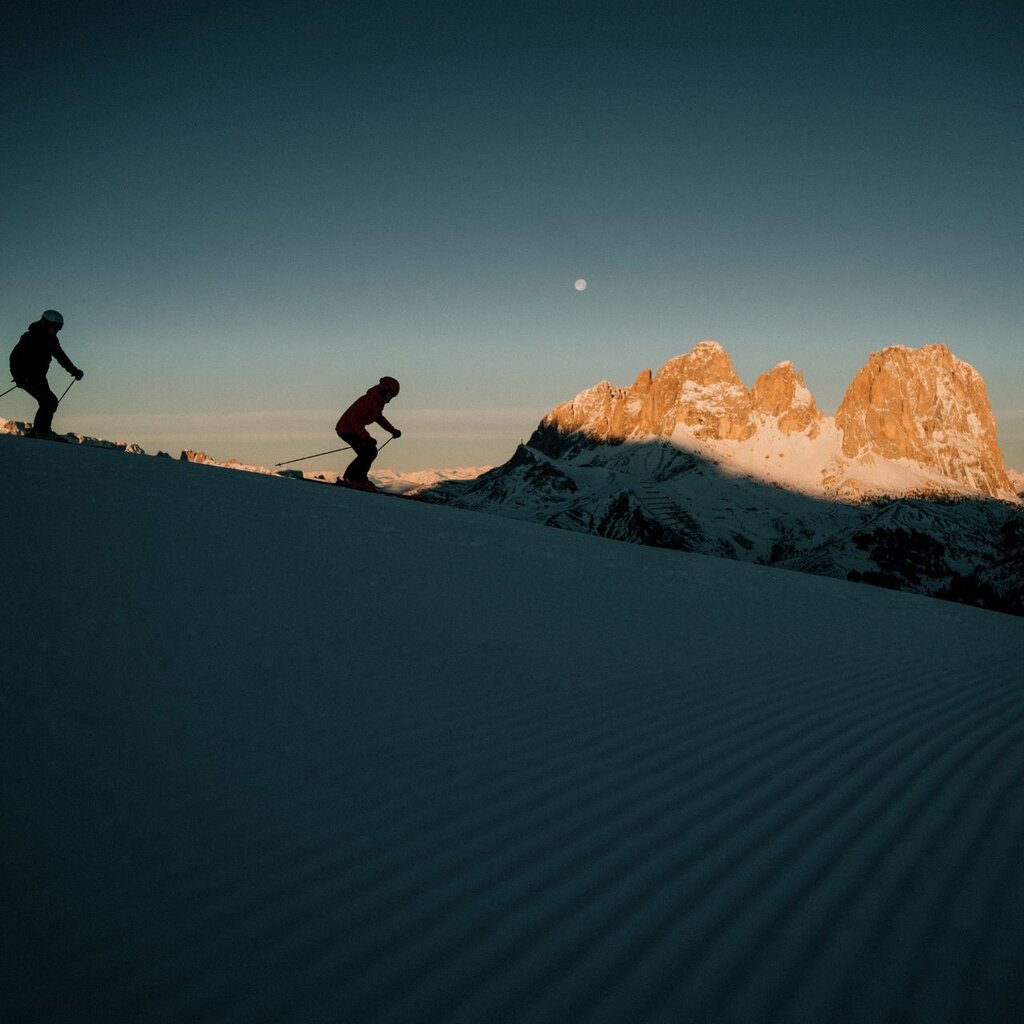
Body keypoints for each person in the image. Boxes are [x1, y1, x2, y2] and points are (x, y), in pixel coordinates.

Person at [9, 310, 84, 438]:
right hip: (26, 377)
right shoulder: (30, 337)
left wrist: (74, 371)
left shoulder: (51, 340)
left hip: (39, 378)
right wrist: (18, 376)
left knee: (49, 402)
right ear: (46, 324)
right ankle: (42, 431)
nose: (57, 331)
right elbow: (14, 357)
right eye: (55, 327)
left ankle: (40, 430)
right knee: (49, 401)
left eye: (59, 328)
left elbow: (60, 356)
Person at [335, 376, 402, 491]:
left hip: (352, 429)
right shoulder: (369, 400)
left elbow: (379, 418)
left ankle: (353, 478)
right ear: (384, 390)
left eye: (392, 396)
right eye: (390, 395)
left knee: (368, 452)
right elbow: (355, 419)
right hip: (346, 429)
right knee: (368, 452)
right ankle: (355, 479)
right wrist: (365, 437)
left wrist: (392, 430)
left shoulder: (377, 402)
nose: (390, 398)